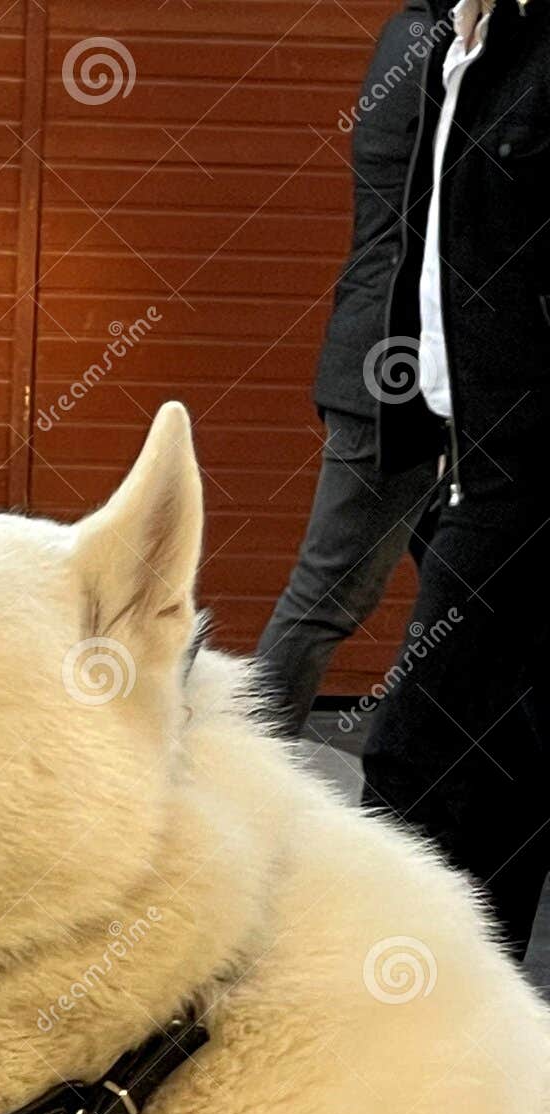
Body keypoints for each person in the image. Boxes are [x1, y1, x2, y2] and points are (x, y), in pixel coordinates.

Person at [362, 0, 550, 960]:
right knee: (507, 779)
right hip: (463, 456)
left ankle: (392, 1026)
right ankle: (492, 1053)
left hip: (528, 476)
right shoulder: (449, 44)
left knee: (417, 768)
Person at [256, 0, 445, 735]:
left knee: (478, 593)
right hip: (395, 372)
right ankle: (228, 773)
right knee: (328, 596)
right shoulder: (440, 45)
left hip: (400, 365)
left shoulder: (414, 30)